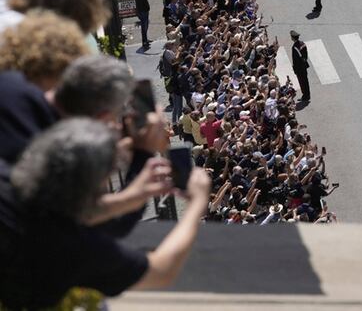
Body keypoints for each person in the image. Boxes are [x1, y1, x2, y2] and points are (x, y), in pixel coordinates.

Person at [0, 119, 211, 308]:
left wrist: (132, 194)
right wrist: (196, 205)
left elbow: (82, 213)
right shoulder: (73, 245)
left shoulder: (8, 182)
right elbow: (161, 271)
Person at [291, 30, 310, 104]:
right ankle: (307, 95)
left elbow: (295, 60)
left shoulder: (295, 47)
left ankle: (305, 96)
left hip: (299, 68)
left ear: (293, 38)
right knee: (306, 81)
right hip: (304, 65)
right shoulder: (302, 43)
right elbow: (305, 55)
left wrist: (295, 69)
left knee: (302, 82)